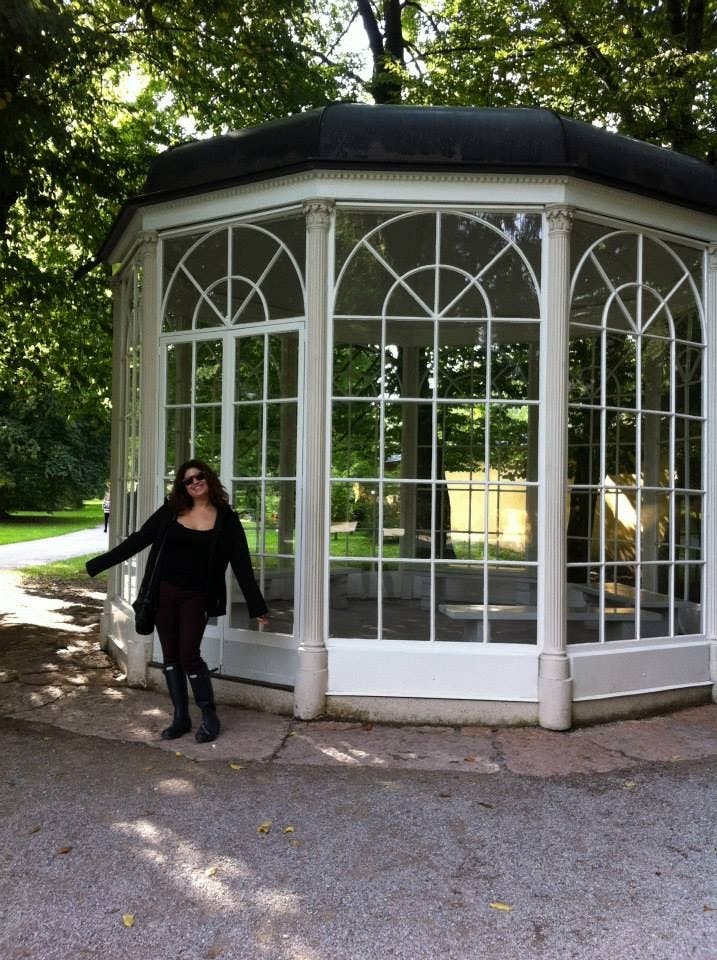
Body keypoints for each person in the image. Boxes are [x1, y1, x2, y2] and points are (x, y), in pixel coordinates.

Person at [86, 460, 269, 743]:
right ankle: (180, 718)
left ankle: (209, 715)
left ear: (208, 479)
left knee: (188, 654)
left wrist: (257, 606)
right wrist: (98, 564)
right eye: (188, 480)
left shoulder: (226, 520)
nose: (194, 482)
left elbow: (241, 564)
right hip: (163, 593)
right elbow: (139, 540)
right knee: (171, 656)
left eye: (199, 477)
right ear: (182, 486)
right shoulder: (171, 512)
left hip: (197, 597)